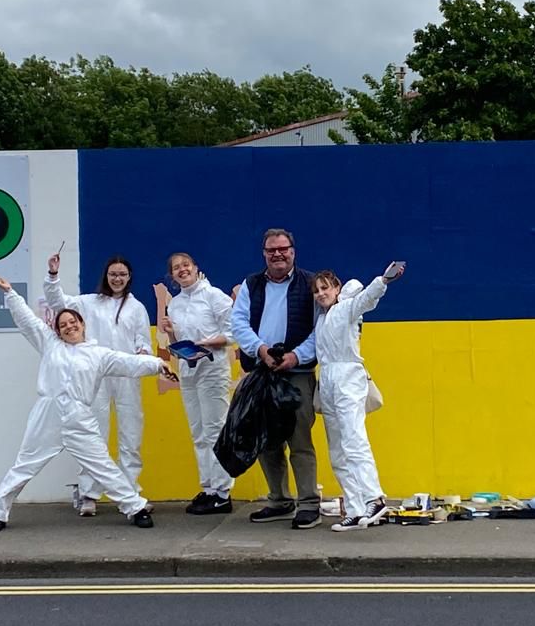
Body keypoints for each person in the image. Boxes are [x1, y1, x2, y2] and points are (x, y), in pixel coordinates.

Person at [0, 274, 172, 532]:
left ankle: (135, 507)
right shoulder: (50, 344)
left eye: (73, 322)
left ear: (82, 324)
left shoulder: (98, 354)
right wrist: (10, 293)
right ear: (57, 330)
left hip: (78, 415)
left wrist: (157, 364)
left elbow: (129, 362)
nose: (69, 327)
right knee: (25, 464)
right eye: (63, 324)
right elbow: (28, 321)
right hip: (47, 414)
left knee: (102, 465)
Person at [45, 252, 153, 516]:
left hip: (126, 375)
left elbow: (143, 341)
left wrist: (143, 354)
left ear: (129, 278)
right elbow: (58, 302)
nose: (117, 279)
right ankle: (89, 493)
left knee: (130, 435)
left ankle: (129, 492)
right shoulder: (89, 303)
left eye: (123, 275)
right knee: (94, 435)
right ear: (106, 276)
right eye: (113, 274)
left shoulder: (136, 308)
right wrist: (53, 276)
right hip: (95, 377)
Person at [231, 228, 320, 529]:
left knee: (300, 440)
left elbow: (320, 328)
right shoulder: (251, 284)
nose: (278, 254)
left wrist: (296, 356)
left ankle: (309, 503)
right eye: (272, 250)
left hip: (297, 373)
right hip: (261, 372)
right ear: (264, 254)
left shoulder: (310, 283)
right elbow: (238, 323)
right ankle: (279, 500)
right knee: (266, 440)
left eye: (284, 248)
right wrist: (261, 349)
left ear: (293, 250)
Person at [312, 263, 403, 532]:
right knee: (338, 451)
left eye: (325, 288)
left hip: (347, 376)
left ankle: (374, 497)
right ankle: (354, 509)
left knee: (354, 439)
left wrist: (383, 280)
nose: (320, 293)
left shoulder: (346, 309)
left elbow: (366, 299)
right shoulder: (321, 319)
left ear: (336, 289)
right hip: (327, 378)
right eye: (316, 290)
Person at [158, 252, 235, 515]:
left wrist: (208, 343)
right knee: (199, 432)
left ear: (196, 267)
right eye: (176, 268)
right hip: (189, 370)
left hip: (213, 368)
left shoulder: (214, 296)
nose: (182, 270)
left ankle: (223, 493)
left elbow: (233, 331)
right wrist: (171, 333)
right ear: (172, 275)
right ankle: (209, 488)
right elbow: (180, 342)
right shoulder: (175, 303)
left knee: (215, 429)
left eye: (185, 265)